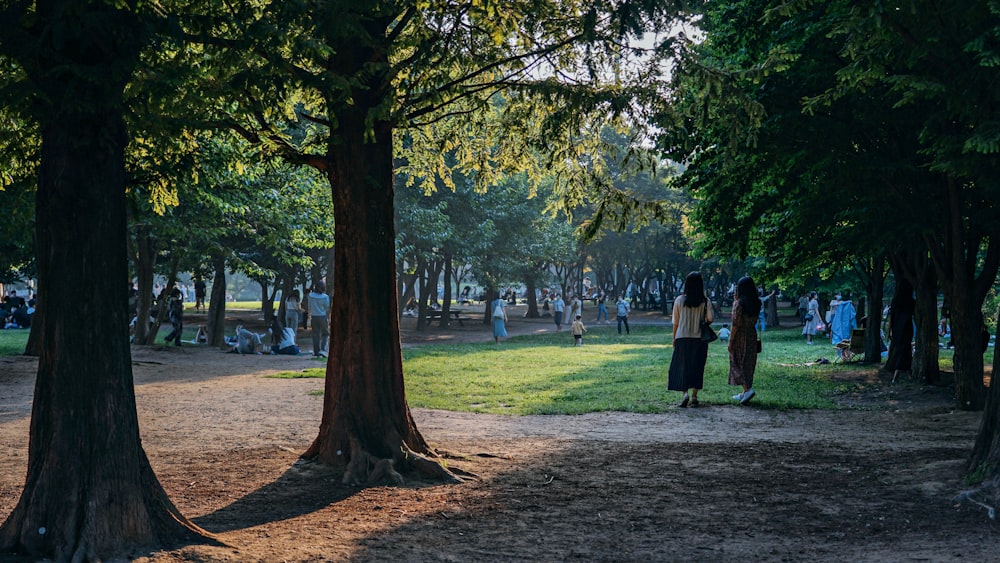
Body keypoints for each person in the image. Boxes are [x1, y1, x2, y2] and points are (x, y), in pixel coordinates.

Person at [668, 271, 713, 408]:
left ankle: (685, 394)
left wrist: (674, 338)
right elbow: (710, 319)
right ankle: (694, 396)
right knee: (698, 367)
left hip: (682, 337)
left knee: (682, 367)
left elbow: (675, 322)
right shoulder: (705, 301)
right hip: (699, 339)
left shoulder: (679, 300)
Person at [729, 277, 761, 405]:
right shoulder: (757, 303)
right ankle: (744, 392)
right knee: (748, 362)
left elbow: (735, 324)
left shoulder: (739, 304)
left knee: (737, 361)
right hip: (751, 334)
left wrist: (730, 342)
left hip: (740, 336)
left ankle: (747, 390)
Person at [885, 279, 915, 381]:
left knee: (903, 350)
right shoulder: (911, 302)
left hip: (897, 330)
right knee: (904, 351)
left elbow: (891, 318)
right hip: (907, 328)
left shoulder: (895, 301)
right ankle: (897, 374)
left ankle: (907, 373)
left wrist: (889, 331)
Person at [308, 280, 331, 357]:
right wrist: (328, 318)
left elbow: (309, 306)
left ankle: (316, 351)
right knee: (325, 333)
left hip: (314, 316)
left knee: (315, 334)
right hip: (322, 316)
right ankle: (323, 350)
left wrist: (309, 315)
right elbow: (327, 308)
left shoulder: (311, 296)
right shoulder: (325, 297)